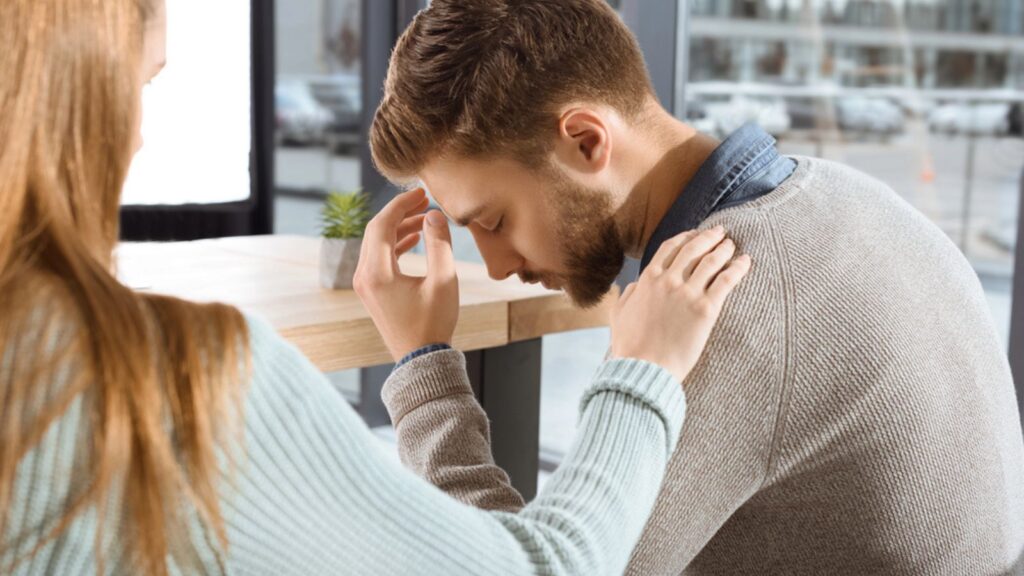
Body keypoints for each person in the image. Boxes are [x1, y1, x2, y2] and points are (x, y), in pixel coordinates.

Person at [0, 0, 753, 575]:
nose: (139, 133)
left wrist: (425, 360)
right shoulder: (169, 382)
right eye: (141, 84)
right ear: (75, 96)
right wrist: (641, 375)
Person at [365, 1, 1024, 574]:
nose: (499, 265)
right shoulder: (845, 195)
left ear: (587, 140)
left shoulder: (726, 299)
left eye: (494, 220)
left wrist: (424, 367)